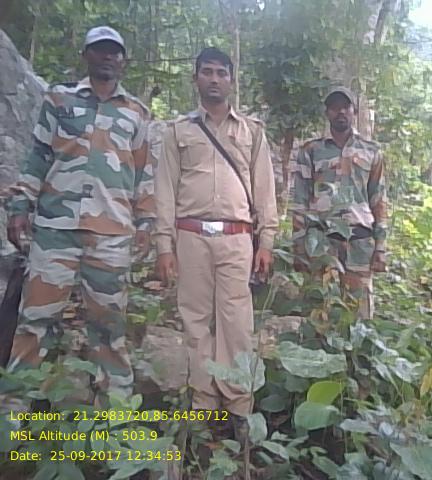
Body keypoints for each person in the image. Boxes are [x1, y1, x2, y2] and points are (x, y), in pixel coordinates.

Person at [2, 26, 155, 405]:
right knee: (35, 322)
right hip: (55, 231)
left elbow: (143, 173)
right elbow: (38, 156)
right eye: (100, 50)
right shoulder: (59, 99)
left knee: (108, 328)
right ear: (86, 55)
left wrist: (147, 222)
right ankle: (14, 413)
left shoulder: (136, 113)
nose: (108, 57)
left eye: (114, 51)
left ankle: (114, 412)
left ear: (124, 61)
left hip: (111, 236)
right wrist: (20, 205)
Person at [153, 47, 278, 439]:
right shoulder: (178, 131)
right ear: (195, 79)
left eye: (221, 73)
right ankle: (203, 403)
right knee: (195, 320)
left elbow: (265, 190)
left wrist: (266, 240)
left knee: (237, 322)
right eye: (206, 71)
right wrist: (164, 246)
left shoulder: (251, 131)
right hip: (191, 236)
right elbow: (164, 190)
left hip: (237, 238)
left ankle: (238, 405)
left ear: (231, 80)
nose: (214, 79)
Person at [291, 87, 387, 320]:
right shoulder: (311, 151)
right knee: (318, 312)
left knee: (358, 315)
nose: (340, 112)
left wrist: (381, 246)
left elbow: (378, 200)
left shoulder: (371, 151)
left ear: (354, 111)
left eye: (345, 107)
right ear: (327, 113)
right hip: (322, 242)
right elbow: (300, 200)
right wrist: (299, 245)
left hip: (359, 242)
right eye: (334, 107)